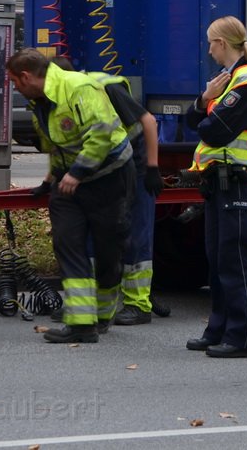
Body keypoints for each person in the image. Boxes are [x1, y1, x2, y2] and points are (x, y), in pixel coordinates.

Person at [7, 48, 133, 343]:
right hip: (69, 182)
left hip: (108, 176)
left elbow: (101, 134)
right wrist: (51, 178)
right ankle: (81, 325)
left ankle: (102, 315)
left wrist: (76, 173)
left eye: (14, 81)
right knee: (67, 242)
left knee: (108, 250)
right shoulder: (38, 99)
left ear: (26, 77)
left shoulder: (78, 87)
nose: (13, 87)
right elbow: (58, 145)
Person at [42, 58, 166, 325]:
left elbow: (149, 121)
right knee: (95, 238)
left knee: (134, 233)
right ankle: (89, 308)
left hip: (135, 166)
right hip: (101, 167)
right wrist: (49, 178)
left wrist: (153, 167)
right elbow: (67, 145)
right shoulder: (65, 98)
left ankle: (138, 305)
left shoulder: (100, 88)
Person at [184, 16, 247, 358]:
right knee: (218, 259)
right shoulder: (229, 82)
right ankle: (218, 328)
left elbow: (212, 130)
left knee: (236, 260)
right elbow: (196, 120)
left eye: (211, 43)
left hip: (236, 181)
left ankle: (242, 338)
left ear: (223, 43)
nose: (209, 49)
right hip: (218, 182)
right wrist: (206, 99)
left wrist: (207, 104)